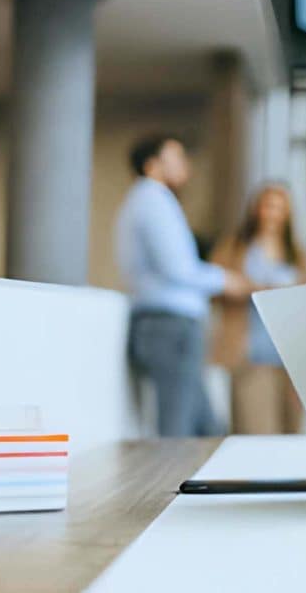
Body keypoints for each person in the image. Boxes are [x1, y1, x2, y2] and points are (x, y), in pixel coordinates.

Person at [115, 135, 249, 437]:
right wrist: (226, 280)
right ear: (151, 166)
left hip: (168, 326)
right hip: (170, 326)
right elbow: (177, 268)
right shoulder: (154, 200)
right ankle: (172, 484)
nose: (185, 165)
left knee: (205, 428)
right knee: (179, 430)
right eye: (175, 158)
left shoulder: (145, 201)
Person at [211, 183, 306, 434]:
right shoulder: (234, 248)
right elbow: (214, 287)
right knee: (256, 433)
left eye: (280, 207)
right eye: (268, 205)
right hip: (250, 356)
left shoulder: (297, 254)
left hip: (289, 361)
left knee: (290, 435)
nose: (273, 213)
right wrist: (250, 288)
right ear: (256, 209)